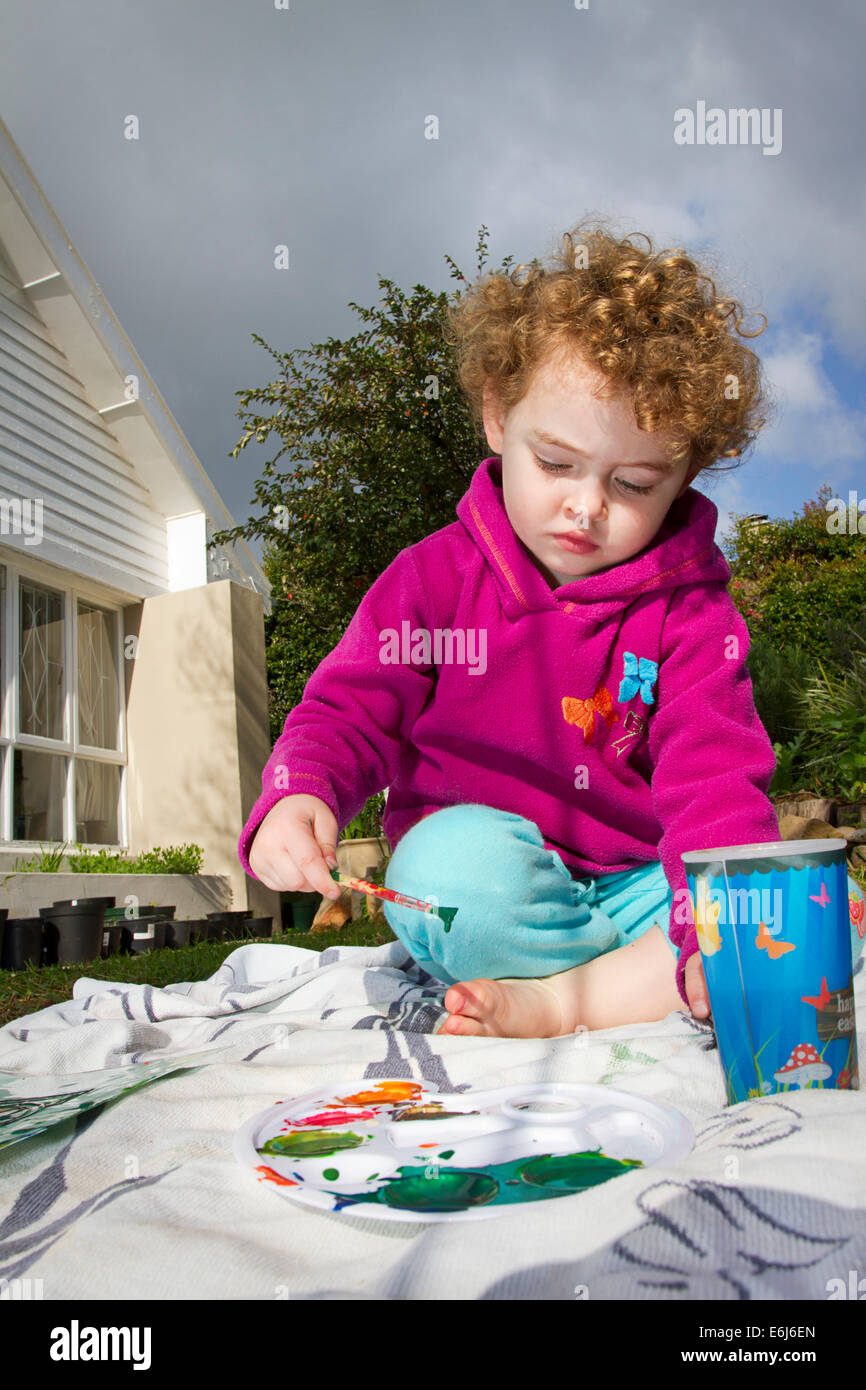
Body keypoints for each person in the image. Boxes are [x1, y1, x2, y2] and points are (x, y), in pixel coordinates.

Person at [239, 219, 866, 1039]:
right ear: (499, 417)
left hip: (642, 884)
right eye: (558, 463)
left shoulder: (691, 612)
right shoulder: (432, 578)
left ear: (682, 477)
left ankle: (568, 1002)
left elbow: (713, 783)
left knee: (823, 912)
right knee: (443, 875)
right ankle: (620, 983)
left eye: (633, 482)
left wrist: (712, 924)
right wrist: (298, 795)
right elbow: (349, 708)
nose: (586, 505)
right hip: (500, 898)